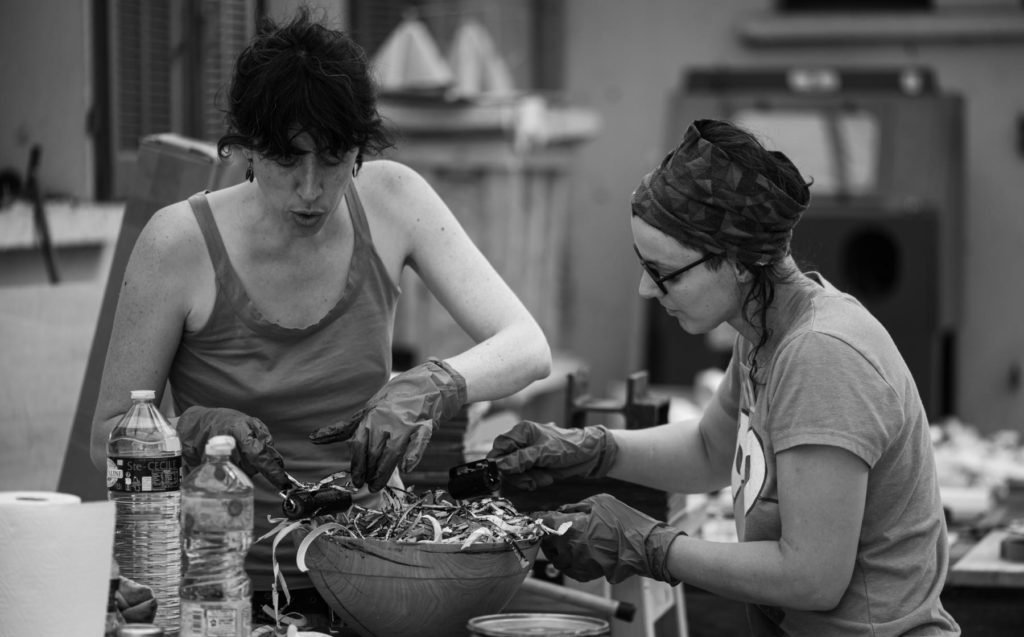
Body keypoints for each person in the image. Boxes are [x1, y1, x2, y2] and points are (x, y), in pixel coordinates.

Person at [89, 7, 551, 629]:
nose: (310, 189)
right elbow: (107, 441)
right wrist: (198, 429)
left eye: (333, 159)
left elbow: (527, 345)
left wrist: (432, 383)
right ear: (247, 149)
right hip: (224, 587)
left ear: (360, 150)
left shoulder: (393, 200)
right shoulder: (179, 243)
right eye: (286, 159)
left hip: (375, 574)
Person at [489, 119, 960, 636]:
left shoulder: (821, 354)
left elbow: (812, 578)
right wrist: (593, 448)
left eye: (666, 272)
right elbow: (710, 451)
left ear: (739, 262)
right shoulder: (763, 332)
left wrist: (652, 546)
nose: (648, 290)